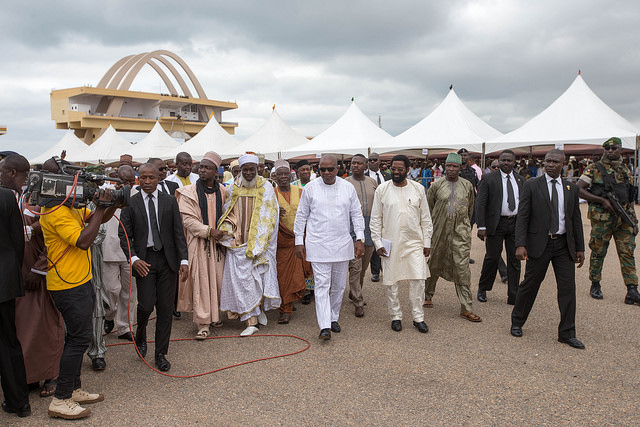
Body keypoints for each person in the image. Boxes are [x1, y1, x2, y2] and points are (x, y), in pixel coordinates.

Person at [39, 158, 119, 419]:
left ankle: (73, 389)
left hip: (80, 280)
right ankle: (60, 400)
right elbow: (84, 241)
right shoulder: (56, 212)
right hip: (66, 285)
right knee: (79, 339)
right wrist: (99, 209)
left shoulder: (68, 206)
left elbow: (99, 218)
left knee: (75, 337)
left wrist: (110, 203)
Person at [0, 154, 64, 399]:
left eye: (2, 171)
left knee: (47, 324)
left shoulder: (38, 196)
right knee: (22, 327)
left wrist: (39, 269)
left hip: (39, 272)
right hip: (14, 274)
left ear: (14, 173)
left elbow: (53, 233)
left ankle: (53, 374)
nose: (0, 176)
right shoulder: (9, 197)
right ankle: (28, 375)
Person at [510, 149, 586, 349]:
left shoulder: (571, 189)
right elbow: (523, 216)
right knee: (530, 284)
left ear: (564, 165)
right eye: (547, 161)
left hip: (563, 245)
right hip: (539, 244)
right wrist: (520, 243)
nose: (550, 165)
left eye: (555, 162)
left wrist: (580, 248)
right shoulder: (532, 185)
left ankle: (567, 333)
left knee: (568, 289)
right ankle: (517, 322)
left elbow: (575, 219)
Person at [119, 163, 189, 372]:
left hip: (167, 261)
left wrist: (183, 260)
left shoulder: (169, 201)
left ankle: (161, 353)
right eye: (143, 178)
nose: (147, 182)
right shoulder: (130, 203)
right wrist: (133, 259)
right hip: (144, 260)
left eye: (152, 178)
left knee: (166, 309)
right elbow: (124, 235)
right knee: (146, 305)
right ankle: (141, 333)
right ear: (138, 179)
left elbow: (178, 232)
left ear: (160, 178)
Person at [293, 154, 365, 340]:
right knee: (322, 285)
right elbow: (301, 216)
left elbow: (356, 214)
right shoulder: (310, 188)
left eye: (330, 169)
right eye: (322, 169)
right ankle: (324, 325)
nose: (326, 173)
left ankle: (334, 318)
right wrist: (298, 241)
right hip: (318, 244)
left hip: (342, 244)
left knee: (339, 285)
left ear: (338, 169)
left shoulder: (347, 188)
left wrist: (360, 238)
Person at [218, 154, 281, 336]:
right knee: (242, 282)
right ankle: (250, 320)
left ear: (257, 169)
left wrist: (259, 243)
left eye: (251, 170)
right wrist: (228, 231)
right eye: (244, 170)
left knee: (257, 279)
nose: (247, 173)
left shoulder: (266, 187)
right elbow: (228, 212)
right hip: (238, 242)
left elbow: (271, 217)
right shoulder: (233, 187)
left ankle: (258, 310)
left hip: (260, 243)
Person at [370, 154, 432, 333]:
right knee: (391, 281)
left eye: (400, 169)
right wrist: (377, 242)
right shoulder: (382, 190)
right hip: (390, 242)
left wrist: (427, 242)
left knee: (419, 280)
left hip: (415, 242)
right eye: (393, 169)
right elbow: (375, 219)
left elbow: (426, 219)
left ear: (407, 170)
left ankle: (418, 317)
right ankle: (395, 316)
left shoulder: (418, 188)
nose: (396, 172)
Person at [577, 137, 640, 305]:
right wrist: (601, 200)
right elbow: (579, 189)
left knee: (627, 252)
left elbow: (630, 196)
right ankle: (595, 283)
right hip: (602, 219)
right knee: (598, 251)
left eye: (614, 148)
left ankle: (632, 289)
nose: (610, 150)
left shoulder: (625, 169)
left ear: (620, 149)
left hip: (624, 219)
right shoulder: (594, 168)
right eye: (607, 148)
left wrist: (633, 219)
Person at [424, 153, 481, 322]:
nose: (451, 169)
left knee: (462, 268)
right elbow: (429, 208)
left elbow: (471, 209)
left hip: (460, 234)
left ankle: (466, 307)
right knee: (433, 263)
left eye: (455, 166)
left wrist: (464, 228)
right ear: (444, 167)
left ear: (460, 168)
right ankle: (428, 295)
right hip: (438, 232)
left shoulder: (467, 186)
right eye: (448, 166)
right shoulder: (436, 186)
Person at [176, 152, 226, 339]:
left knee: (217, 281)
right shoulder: (188, 192)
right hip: (198, 244)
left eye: (207, 167)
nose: (202, 170)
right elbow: (187, 220)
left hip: (219, 246)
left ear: (216, 171)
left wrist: (224, 231)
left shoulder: (223, 191)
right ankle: (203, 323)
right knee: (202, 282)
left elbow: (229, 214)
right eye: (201, 167)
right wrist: (208, 231)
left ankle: (215, 315)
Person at [475, 150, 525, 305]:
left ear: (514, 162)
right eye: (503, 160)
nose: (506, 163)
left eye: (509, 160)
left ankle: (513, 294)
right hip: (495, 224)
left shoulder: (521, 180)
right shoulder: (489, 179)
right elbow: (480, 203)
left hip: (515, 224)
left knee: (515, 260)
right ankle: (483, 288)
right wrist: (481, 226)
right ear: (499, 161)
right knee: (492, 257)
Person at [0, 186, 30, 418]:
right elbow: (17, 240)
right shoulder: (6, 196)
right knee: (8, 342)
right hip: (4, 280)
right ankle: (19, 403)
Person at [102, 165, 137, 344]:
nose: (128, 185)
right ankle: (109, 315)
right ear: (116, 179)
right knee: (111, 290)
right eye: (124, 181)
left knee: (129, 293)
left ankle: (125, 328)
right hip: (109, 249)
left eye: (131, 181)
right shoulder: (106, 194)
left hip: (130, 251)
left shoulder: (137, 195)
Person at [273, 159, 308, 324]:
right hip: (282, 243)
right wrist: (274, 214)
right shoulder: (271, 194)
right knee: (284, 276)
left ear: (291, 174)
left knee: (299, 273)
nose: (283, 177)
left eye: (286, 173)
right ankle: (285, 309)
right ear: (275, 177)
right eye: (280, 174)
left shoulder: (300, 191)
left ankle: (291, 298)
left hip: (301, 240)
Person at [345, 153, 378, 317]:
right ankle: (358, 301)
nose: (355, 165)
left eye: (359, 163)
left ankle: (355, 291)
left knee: (364, 267)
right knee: (355, 266)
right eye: (353, 163)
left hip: (370, 227)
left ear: (366, 166)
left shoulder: (373, 182)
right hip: (352, 228)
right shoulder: (345, 183)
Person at [292, 159, 316, 303]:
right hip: (300, 229)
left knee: (315, 259)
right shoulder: (292, 186)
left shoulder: (317, 185)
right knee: (302, 259)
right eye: (303, 170)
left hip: (315, 228)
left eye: (308, 169)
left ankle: (315, 287)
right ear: (297, 171)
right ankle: (305, 289)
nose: (306, 172)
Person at [366, 152, 389, 283]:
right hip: (372, 213)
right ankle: (375, 272)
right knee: (374, 242)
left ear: (379, 161)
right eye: (370, 160)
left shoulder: (387, 176)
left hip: (387, 212)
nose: (372, 162)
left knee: (386, 240)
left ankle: (386, 269)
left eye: (375, 160)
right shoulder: (364, 177)